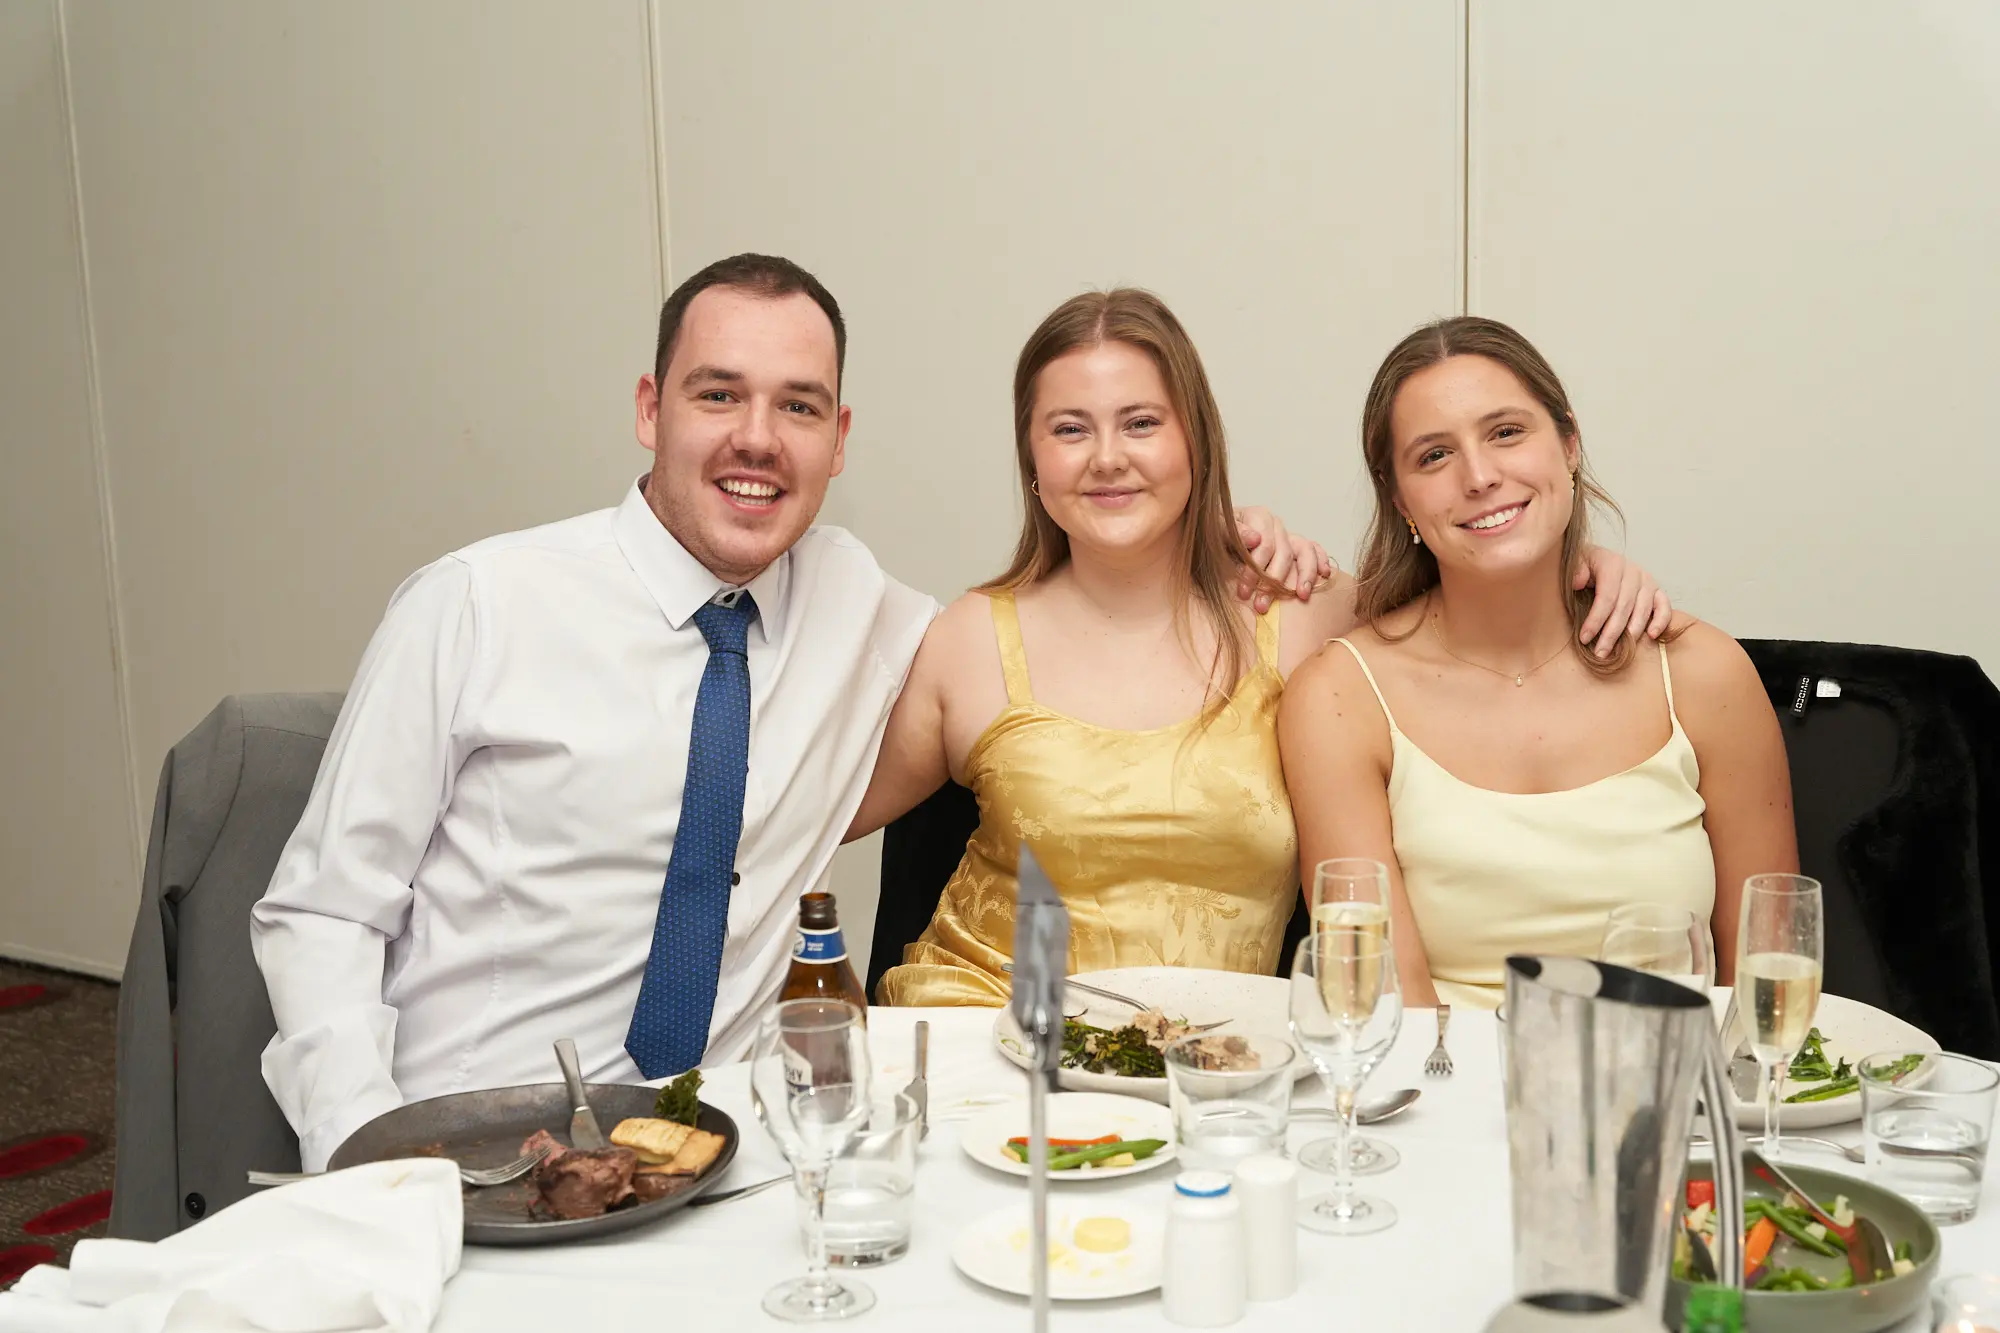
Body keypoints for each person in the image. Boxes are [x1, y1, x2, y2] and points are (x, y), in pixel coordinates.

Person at [251, 255, 1329, 1171]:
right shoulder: (478, 604)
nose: (757, 438)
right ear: (649, 408)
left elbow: (1075, 646)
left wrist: (1219, 537)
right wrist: (364, 1152)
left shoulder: (864, 610)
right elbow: (323, 912)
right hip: (473, 1140)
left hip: (726, 1141)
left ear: (838, 437)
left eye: (798, 406)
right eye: (718, 395)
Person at [854, 291, 1673, 1006]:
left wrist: (1584, 571)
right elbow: (805, 816)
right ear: (1032, 459)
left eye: (1141, 423)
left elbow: (1477, 594)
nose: (1107, 457)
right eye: (1070, 429)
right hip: (982, 1046)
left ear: (1196, 442)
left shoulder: (1304, 611)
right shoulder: (968, 639)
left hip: (1211, 1074)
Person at [1278, 316, 1798, 1009]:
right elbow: (1383, 1009)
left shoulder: (1702, 670)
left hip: (1675, 1074)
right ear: (1401, 499)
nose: (1480, 476)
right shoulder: (1340, 697)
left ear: (1569, 444)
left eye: (1506, 432)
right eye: (1435, 455)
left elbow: (1768, 991)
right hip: (1440, 1076)